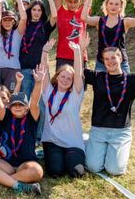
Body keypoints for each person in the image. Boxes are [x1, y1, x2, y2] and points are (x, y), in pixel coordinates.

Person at [84, 26, 135, 175]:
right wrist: (80, 50)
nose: (110, 61)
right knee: (93, 167)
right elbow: (78, 72)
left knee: (115, 170)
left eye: (113, 57)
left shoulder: (132, 79)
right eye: (106, 59)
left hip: (120, 132)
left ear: (120, 58)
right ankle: (87, 140)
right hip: (99, 129)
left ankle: (113, 149)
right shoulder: (98, 77)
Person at [0, 67, 43, 195]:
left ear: (26, 108)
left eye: (21, 105)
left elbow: (35, 101)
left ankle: (0, 180)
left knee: (38, 171)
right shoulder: (6, 117)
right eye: (15, 105)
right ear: (9, 107)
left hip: (25, 163)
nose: (18, 107)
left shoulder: (32, 118)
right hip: (7, 164)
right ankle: (20, 186)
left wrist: (38, 82)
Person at [40, 37, 87, 178]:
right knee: (55, 171)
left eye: (69, 79)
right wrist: (45, 52)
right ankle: (58, 159)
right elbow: (44, 71)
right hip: (52, 141)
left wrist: (77, 53)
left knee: (76, 172)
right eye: (63, 76)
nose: (65, 80)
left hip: (73, 142)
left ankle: (77, 151)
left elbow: (78, 74)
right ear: (57, 76)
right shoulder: (48, 91)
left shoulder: (75, 94)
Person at [81, 0, 135, 73]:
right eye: (111, 3)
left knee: (125, 87)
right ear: (106, 5)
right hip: (102, 63)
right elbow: (84, 18)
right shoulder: (99, 21)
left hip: (120, 63)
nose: (113, 6)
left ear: (120, 7)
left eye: (116, 4)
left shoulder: (125, 22)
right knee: (100, 87)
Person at [0, 0, 27, 89]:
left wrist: (19, 0)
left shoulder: (17, 34)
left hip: (13, 69)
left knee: (11, 98)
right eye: (5, 20)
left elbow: (24, 19)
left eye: (10, 20)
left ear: (14, 21)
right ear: (1, 22)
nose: (7, 22)